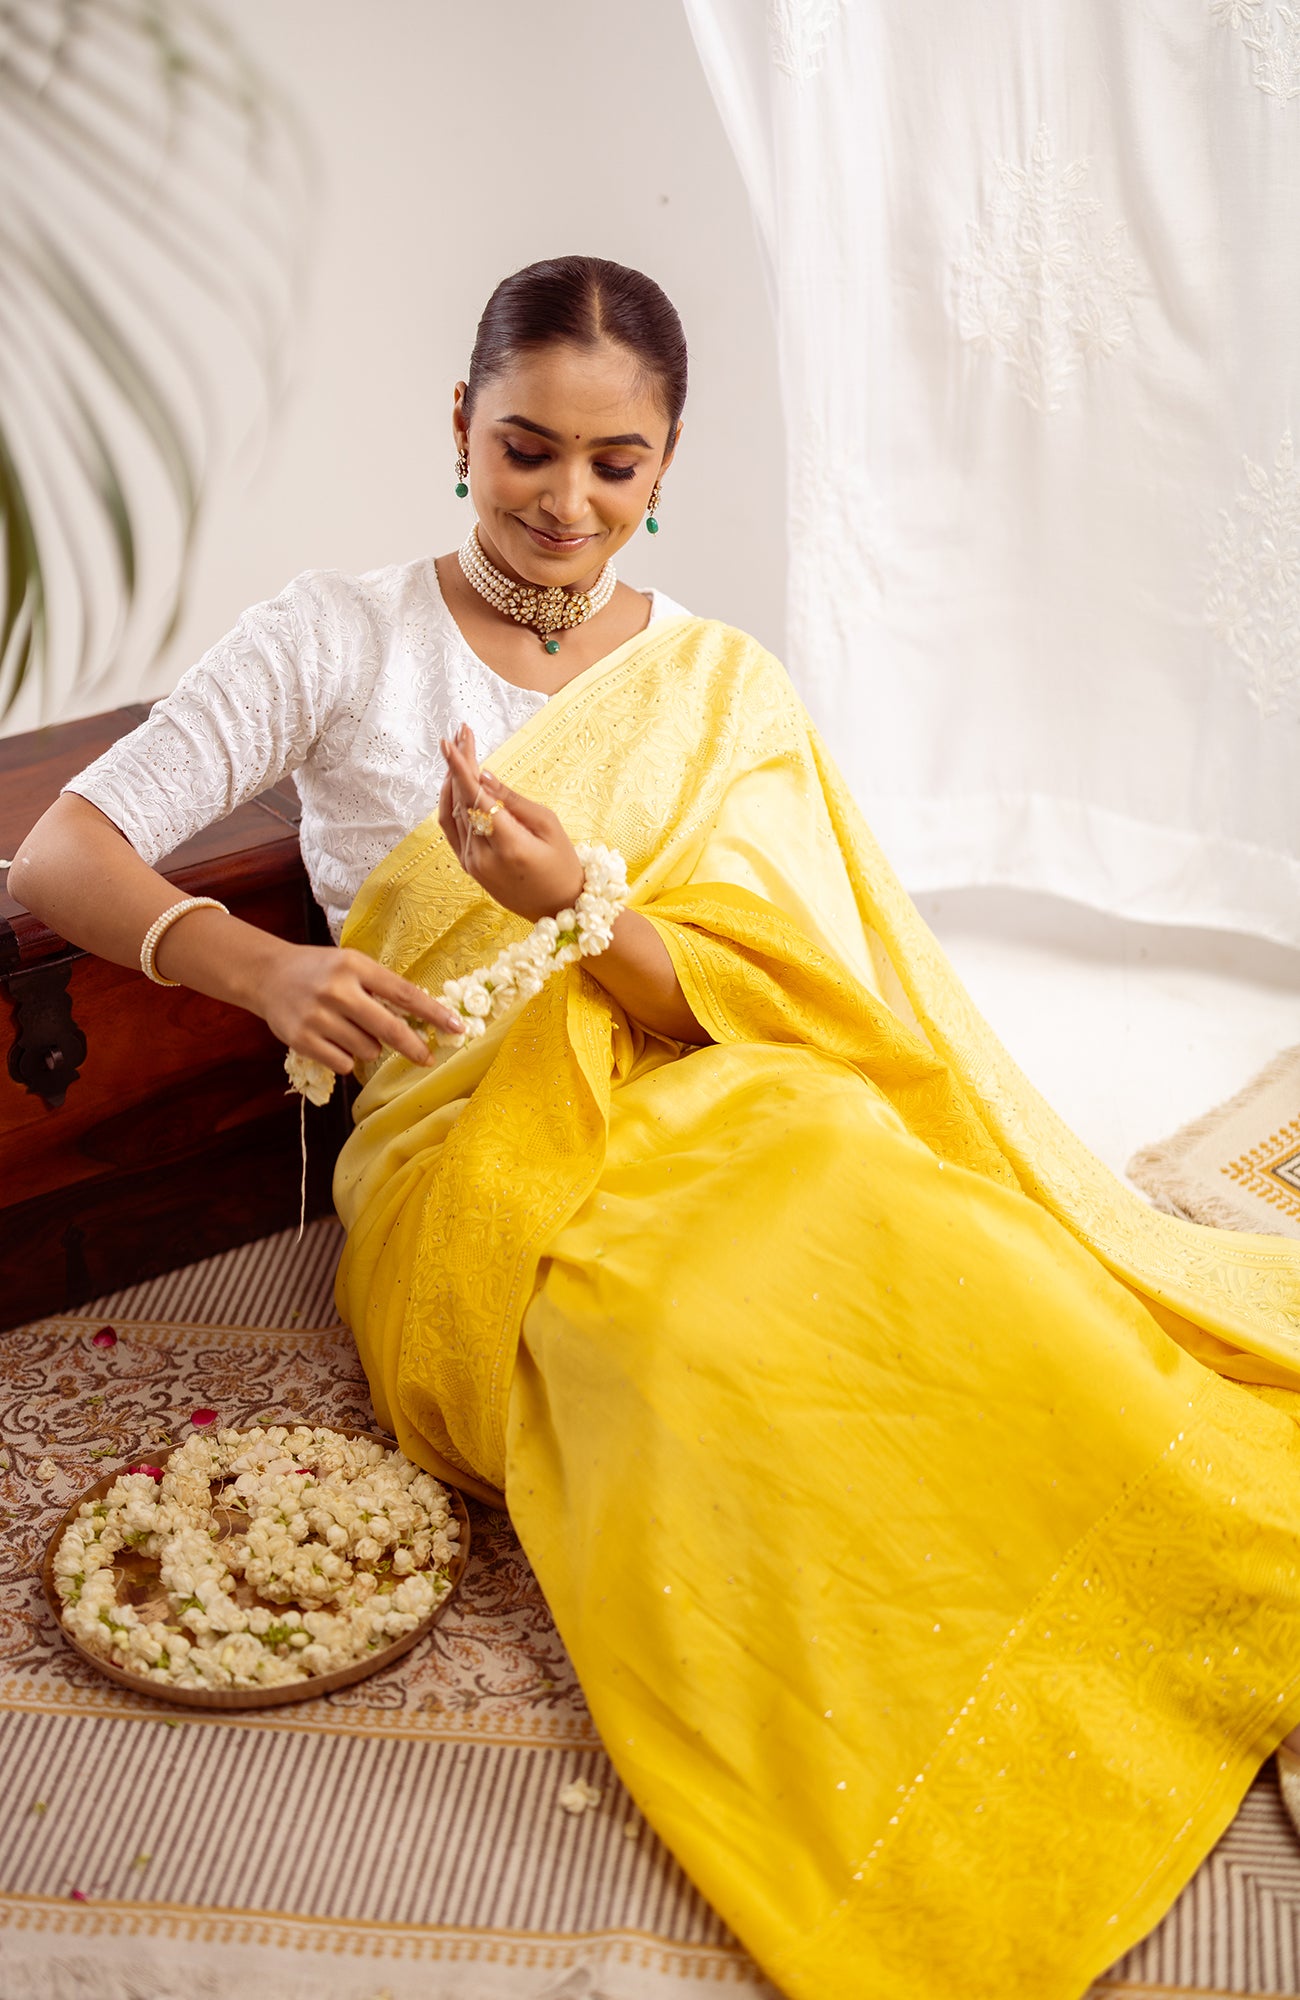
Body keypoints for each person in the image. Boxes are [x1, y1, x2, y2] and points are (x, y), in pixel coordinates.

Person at [12, 255, 1300, 2000]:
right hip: (463, 1152)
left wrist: (584, 899)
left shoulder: (718, 683)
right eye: (526, 448)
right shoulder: (335, 635)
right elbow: (60, 853)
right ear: (457, 430)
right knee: (687, 1342)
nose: (564, 500)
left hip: (712, 1092)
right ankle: (934, 1739)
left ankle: (1198, 1590)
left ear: (668, 465)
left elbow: (759, 999)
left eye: (614, 465)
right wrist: (257, 972)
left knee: (929, 1241)